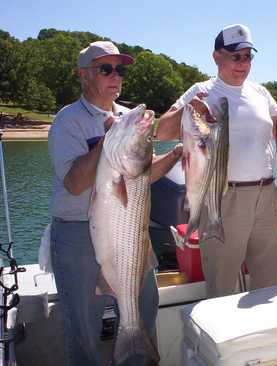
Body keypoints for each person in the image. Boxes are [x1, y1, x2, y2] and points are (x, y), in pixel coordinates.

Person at [48, 40, 182, 366]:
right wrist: (107, 142)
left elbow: (140, 175)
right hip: (77, 234)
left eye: (119, 69)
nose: (115, 76)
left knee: (144, 306)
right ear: (84, 75)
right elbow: (75, 184)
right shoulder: (69, 121)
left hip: (128, 229)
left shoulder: (126, 119)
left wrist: (178, 153)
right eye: (105, 68)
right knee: (84, 324)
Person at [156, 24, 277, 298]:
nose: (243, 63)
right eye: (236, 56)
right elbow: (163, 131)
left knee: (273, 281)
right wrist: (188, 111)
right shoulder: (201, 90)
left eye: (248, 56)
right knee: (223, 282)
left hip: (267, 195)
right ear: (217, 57)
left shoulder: (261, 92)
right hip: (223, 196)